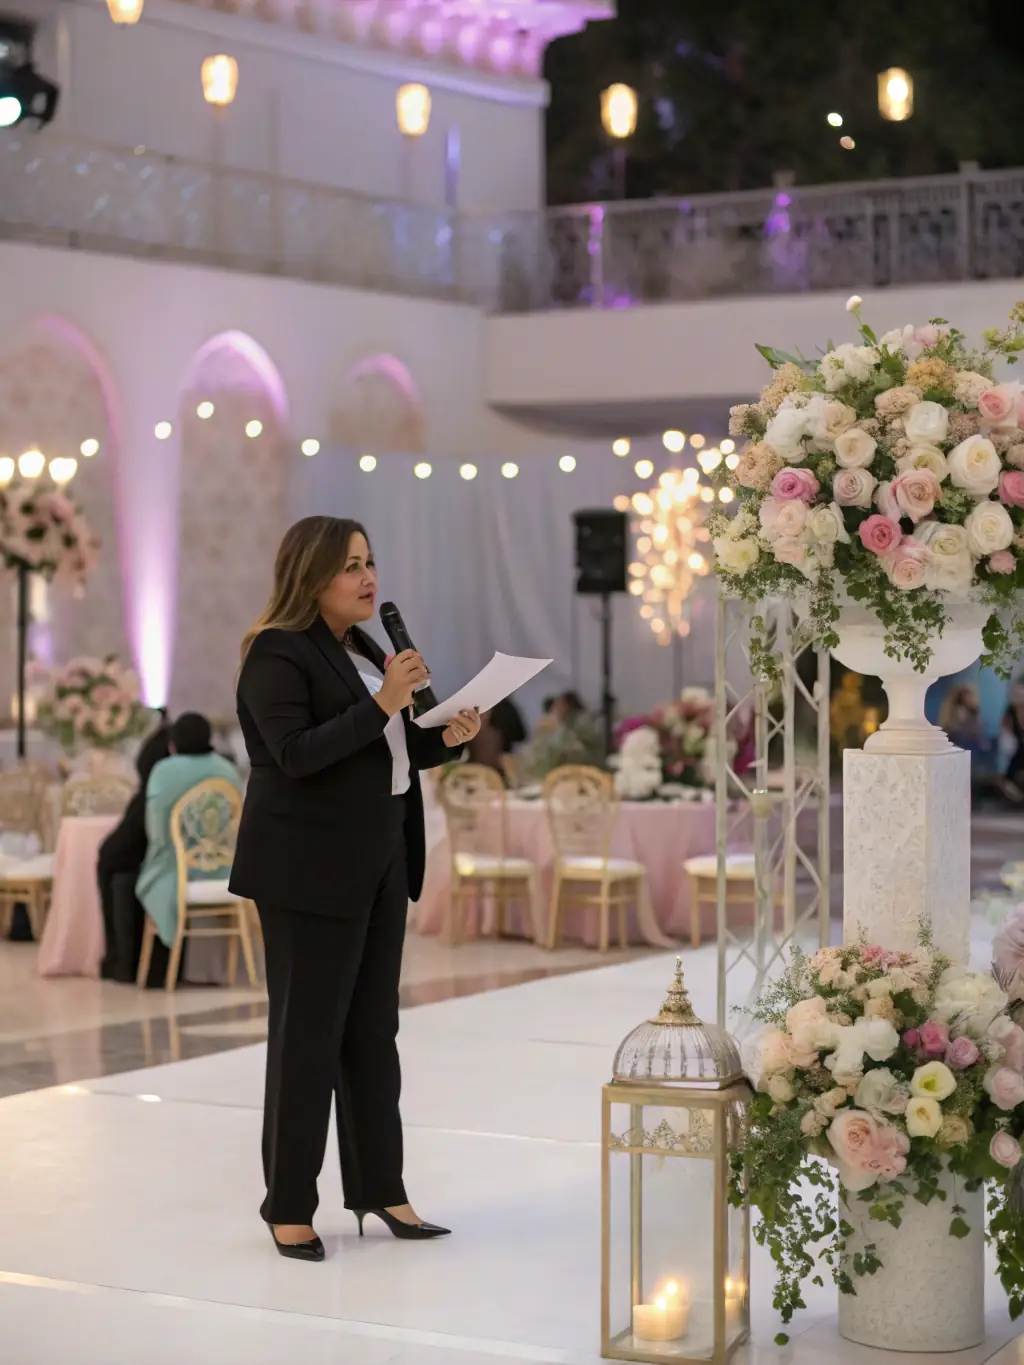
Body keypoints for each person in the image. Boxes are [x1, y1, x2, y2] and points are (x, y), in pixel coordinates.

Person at [228, 516, 481, 1263]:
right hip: (308, 869)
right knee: (308, 1037)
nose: (368, 578)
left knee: (373, 1033)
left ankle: (381, 1188)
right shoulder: (276, 652)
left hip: (380, 858)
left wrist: (446, 736)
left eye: (370, 562)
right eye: (350, 566)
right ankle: (289, 1205)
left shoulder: (365, 649)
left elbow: (389, 748)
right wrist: (383, 702)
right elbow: (295, 754)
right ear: (311, 575)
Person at [135, 712, 243, 955]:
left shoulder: (163, 772)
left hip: (177, 871)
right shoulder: (228, 771)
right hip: (226, 870)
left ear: (172, 745)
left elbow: (157, 832)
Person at [97, 722, 172, 982]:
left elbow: (113, 851)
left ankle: (120, 961)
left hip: (168, 870)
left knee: (111, 866)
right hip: (216, 870)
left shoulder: (159, 787)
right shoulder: (221, 775)